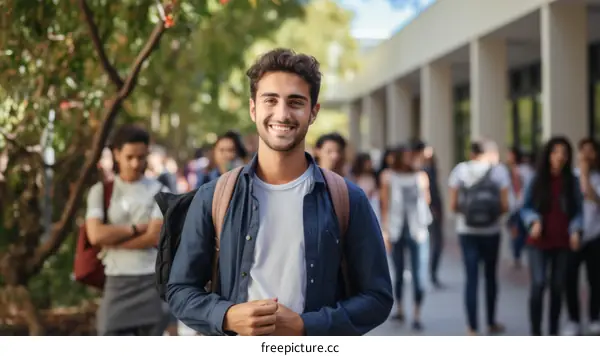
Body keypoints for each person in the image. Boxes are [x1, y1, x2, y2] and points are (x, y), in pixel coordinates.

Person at [165, 48, 393, 336]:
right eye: (270, 100)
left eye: (295, 102)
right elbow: (180, 290)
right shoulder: (214, 197)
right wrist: (227, 316)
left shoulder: (347, 199)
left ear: (314, 112)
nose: (282, 114)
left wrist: (305, 325)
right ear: (253, 109)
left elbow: (377, 298)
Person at [84, 124, 170, 336]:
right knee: (108, 332)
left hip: (151, 279)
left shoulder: (160, 191)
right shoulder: (101, 191)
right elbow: (94, 234)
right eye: (130, 156)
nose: (135, 163)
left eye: (141, 157)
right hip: (116, 279)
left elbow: (154, 236)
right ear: (116, 153)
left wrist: (111, 240)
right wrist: (135, 228)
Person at [520, 136, 582, 336]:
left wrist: (575, 230)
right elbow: (525, 207)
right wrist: (533, 221)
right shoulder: (536, 179)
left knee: (557, 287)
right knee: (538, 284)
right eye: (555, 152)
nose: (559, 157)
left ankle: (553, 333)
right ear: (548, 155)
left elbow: (578, 212)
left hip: (563, 241)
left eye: (564, 153)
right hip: (538, 241)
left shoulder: (572, 181)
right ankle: (536, 333)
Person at [448, 139, 509, 336]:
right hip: (491, 232)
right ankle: (491, 322)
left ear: (471, 153)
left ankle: (472, 327)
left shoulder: (460, 170)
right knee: (490, 277)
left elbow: (453, 204)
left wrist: (468, 213)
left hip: (467, 232)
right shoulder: (499, 171)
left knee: (471, 278)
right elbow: (505, 205)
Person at [380, 145, 431, 331]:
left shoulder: (421, 177)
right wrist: (385, 231)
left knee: (419, 275)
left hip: (419, 231)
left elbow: (427, 200)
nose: (412, 160)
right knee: (399, 272)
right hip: (396, 230)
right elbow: (384, 205)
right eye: (408, 156)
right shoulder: (388, 176)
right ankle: (400, 309)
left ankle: (417, 313)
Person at [562, 138, 600, 336]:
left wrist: (585, 177)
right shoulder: (569, 177)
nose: (587, 155)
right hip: (573, 236)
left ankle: (595, 317)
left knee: (595, 280)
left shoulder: (595, 177)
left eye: (591, 151)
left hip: (595, 235)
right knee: (570, 279)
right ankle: (573, 319)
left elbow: (596, 199)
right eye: (583, 151)